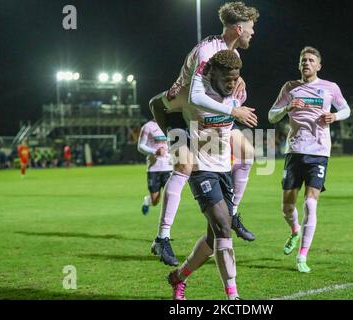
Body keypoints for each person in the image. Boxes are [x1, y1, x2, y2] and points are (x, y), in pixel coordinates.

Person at [148, 1, 259, 266]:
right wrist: (233, 112)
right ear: (238, 28)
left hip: (202, 116)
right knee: (185, 165)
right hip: (177, 111)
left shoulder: (231, 54)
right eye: (251, 28)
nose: (253, 33)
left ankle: (232, 213)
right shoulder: (209, 51)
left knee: (247, 154)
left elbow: (222, 90)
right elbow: (196, 96)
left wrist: (237, 92)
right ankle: (162, 238)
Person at [168, 50, 252, 300]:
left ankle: (178, 277)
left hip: (223, 169)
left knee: (212, 236)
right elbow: (157, 105)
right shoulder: (194, 95)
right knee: (223, 229)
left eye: (236, 78)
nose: (232, 84)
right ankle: (233, 296)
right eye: (227, 79)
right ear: (213, 74)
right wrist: (177, 144)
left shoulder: (238, 92)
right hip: (201, 170)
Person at [268, 47, 351, 273]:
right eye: (303, 59)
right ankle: (295, 230)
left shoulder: (330, 88)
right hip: (294, 151)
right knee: (287, 207)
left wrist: (334, 115)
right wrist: (287, 107)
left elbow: (346, 110)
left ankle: (302, 256)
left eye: (311, 60)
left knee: (310, 203)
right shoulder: (289, 87)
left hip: (319, 151)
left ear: (318, 66)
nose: (306, 63)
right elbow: (271, 115)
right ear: (299, 65)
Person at [137, 119, 173, 216]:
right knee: (155, 201)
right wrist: (155, 151)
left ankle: (166, 223)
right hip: (154, 168)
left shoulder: (169, 125)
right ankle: (147, 200)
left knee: (170, 195)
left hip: (168, 167)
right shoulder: (148, 127)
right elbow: (140, 146)